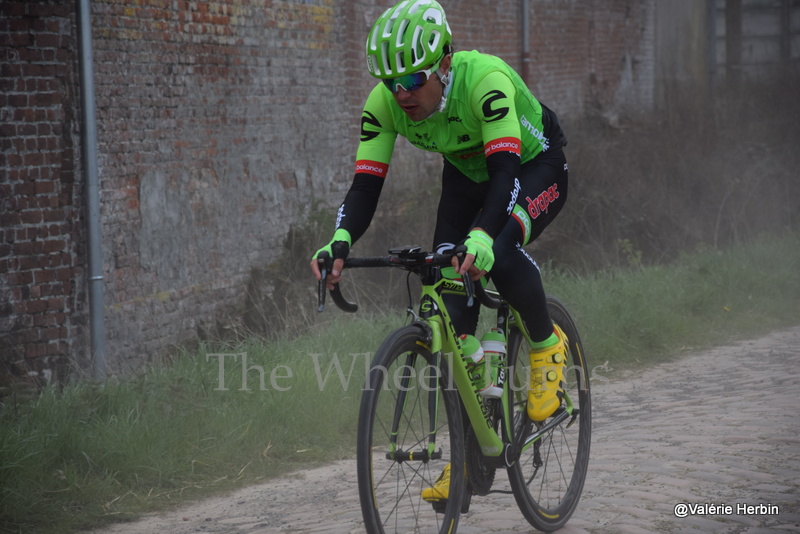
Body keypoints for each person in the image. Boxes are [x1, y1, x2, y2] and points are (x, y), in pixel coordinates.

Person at [310, 0, 569, 506]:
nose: (401, 92)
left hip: (531, 167)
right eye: (389, 81)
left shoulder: (485, 81)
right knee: (452, 307)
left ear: (444, 62)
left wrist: (481, 236)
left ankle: (546, 345)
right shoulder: (384, 104)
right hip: (467, 177)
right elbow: (364, 188)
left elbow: (505, 175)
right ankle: (472, 457)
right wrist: (338, 241)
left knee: (496, 245)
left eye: (411, 77)